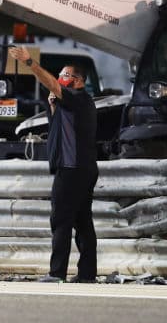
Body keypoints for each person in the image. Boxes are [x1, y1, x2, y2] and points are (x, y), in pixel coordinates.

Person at [7, 45, 98, 283]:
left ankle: (57, 272)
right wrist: (53, 107)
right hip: (82, 169)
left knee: (61, 220)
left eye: (65, 75)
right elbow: (61, 129)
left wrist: (29, 62)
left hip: (72, 170)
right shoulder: (73, 104)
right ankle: (87, 274)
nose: (60, 78)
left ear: (78, 81)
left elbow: (50, 83)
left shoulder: (78, 98)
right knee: (82, 222)